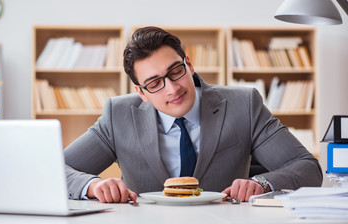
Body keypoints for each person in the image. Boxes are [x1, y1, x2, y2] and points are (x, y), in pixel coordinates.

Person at [64, 26, 323, 204]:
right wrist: (92, 186)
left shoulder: (243, 104)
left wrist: (263, 184)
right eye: (154, 84)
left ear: (189, 64)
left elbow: (307, 167)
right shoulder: (118, 115)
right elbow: (55, 170)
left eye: (176, 70)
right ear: (141, 93)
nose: (173, 88)